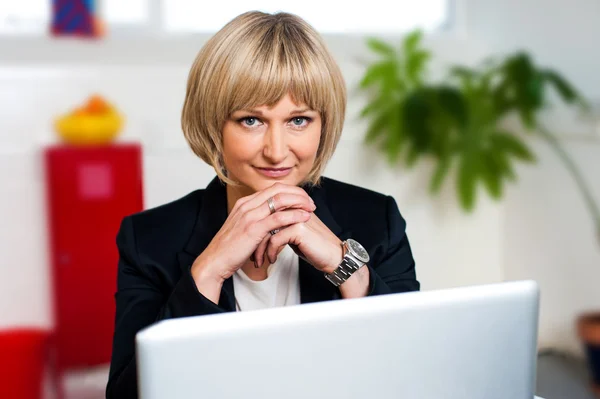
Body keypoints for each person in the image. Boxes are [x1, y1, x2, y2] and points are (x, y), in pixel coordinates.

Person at [106, 10, 419, 399]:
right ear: (213, 124)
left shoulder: (376, 220)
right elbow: (126, 394)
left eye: (299, 120)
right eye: (251, 120)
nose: (276, 151)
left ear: (324, 124)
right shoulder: (149, 239)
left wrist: (346, 267)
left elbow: (414, 374)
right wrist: (208, 270)